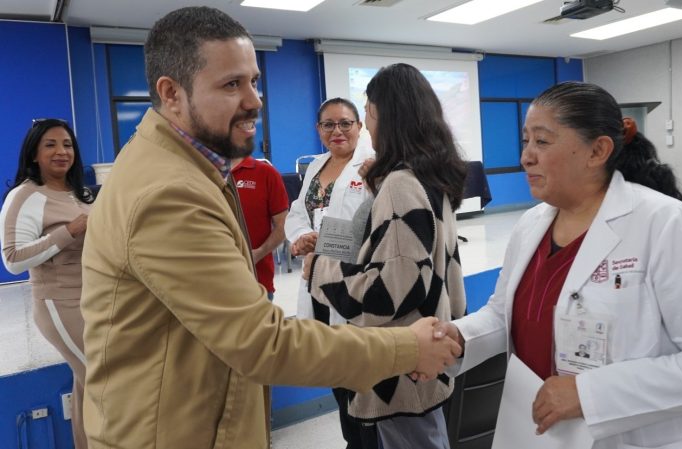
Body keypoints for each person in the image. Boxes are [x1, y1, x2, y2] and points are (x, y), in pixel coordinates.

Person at [79, 7, 461, 449]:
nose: (255, 100)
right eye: (231, 84)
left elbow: (399, 275)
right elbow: (263, 340)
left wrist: (324, 267)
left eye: (253, 81)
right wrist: (404, 346)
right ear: (171, 93)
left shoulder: (379, 175)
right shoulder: (172, 190)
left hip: (338, 328)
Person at [434, 81, 682, 449]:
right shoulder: (531, 226)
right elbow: (502, 314)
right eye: (526, 141)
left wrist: (591, 395)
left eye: (542, 141)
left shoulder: (667, 224)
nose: (526, 156)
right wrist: (460, 337)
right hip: (547, 434)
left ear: (598, 151)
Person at [303, 63, 467, 449]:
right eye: (328, 124)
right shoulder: (429, 175)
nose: (362, 126)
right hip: (422, 354)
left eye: (366, 114)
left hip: (398, 369)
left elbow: (389, 293)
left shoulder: (400, 183)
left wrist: (320, 269)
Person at [285, 97, 378, 448]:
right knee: (335, 368)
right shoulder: (316, 167)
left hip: (353, 284)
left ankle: (365, 440)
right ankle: (352, 441)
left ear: (359, 126)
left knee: (359, 373)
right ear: (318, 130)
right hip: (317, 284)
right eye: (328, 124)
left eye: (345, 123)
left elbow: (370, 225)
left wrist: (322, 245)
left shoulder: (372, 166)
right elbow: (297, 212)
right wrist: (299, 237)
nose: (337, 131)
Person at [1, 118, 93, 449]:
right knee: (103, 378)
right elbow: (12, 260)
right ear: (35, 154)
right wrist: (67, 232)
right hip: (59, 303)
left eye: (67, 144)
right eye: (50, 145)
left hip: (92, 298)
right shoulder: (24, 196)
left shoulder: (78, 194)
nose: (61, 151)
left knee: (88, 384)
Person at [231, 155, 289, 300]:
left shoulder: (266, 173)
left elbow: (283, 225)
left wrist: (259, 253)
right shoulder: (203, 172)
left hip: (256, 282)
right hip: (209, 285)